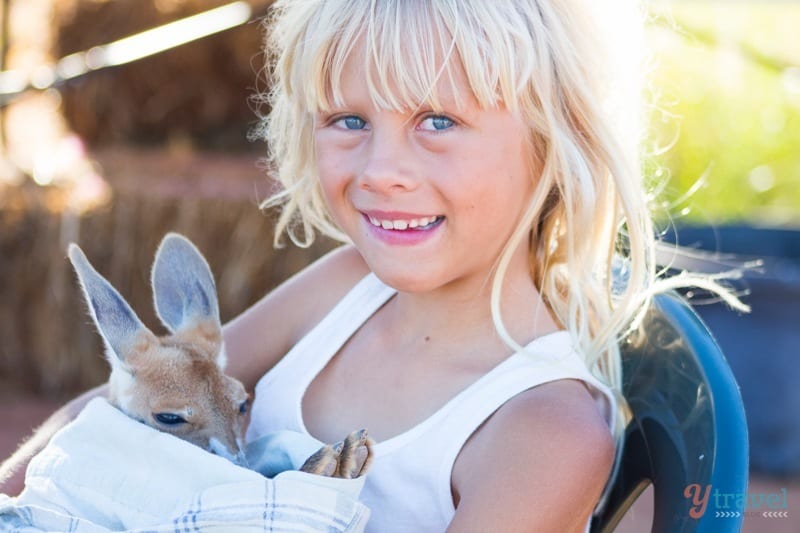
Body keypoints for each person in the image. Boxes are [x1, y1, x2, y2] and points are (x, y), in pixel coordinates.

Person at [1, 1, 746, 531]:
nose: (383, 169)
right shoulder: (349, 287)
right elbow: (116, 406)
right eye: (349, 120)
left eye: (439, 121)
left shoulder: (544, 429)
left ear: (556, 139)